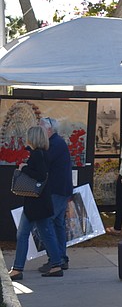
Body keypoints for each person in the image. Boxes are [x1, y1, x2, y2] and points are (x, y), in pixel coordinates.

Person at [9, 126, 65, 279]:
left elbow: (40, 175)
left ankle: (18, 269)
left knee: (23, 234)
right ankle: (56, 264)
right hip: (41, 201)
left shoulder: (37, 155)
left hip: (35, 202)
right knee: (46, 233)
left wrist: (24, 168)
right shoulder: (43, 153)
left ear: (32, 137)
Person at [38, 116, 73, 273]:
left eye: (41, 127)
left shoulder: (54, 144)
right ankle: (61, 258)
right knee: (58, 224)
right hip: (61, 190)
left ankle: (55, 260)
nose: (39, 130)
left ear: (49, 129)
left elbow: (45, 164)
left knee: (47, 223)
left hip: (57, 190)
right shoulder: (57, 142)